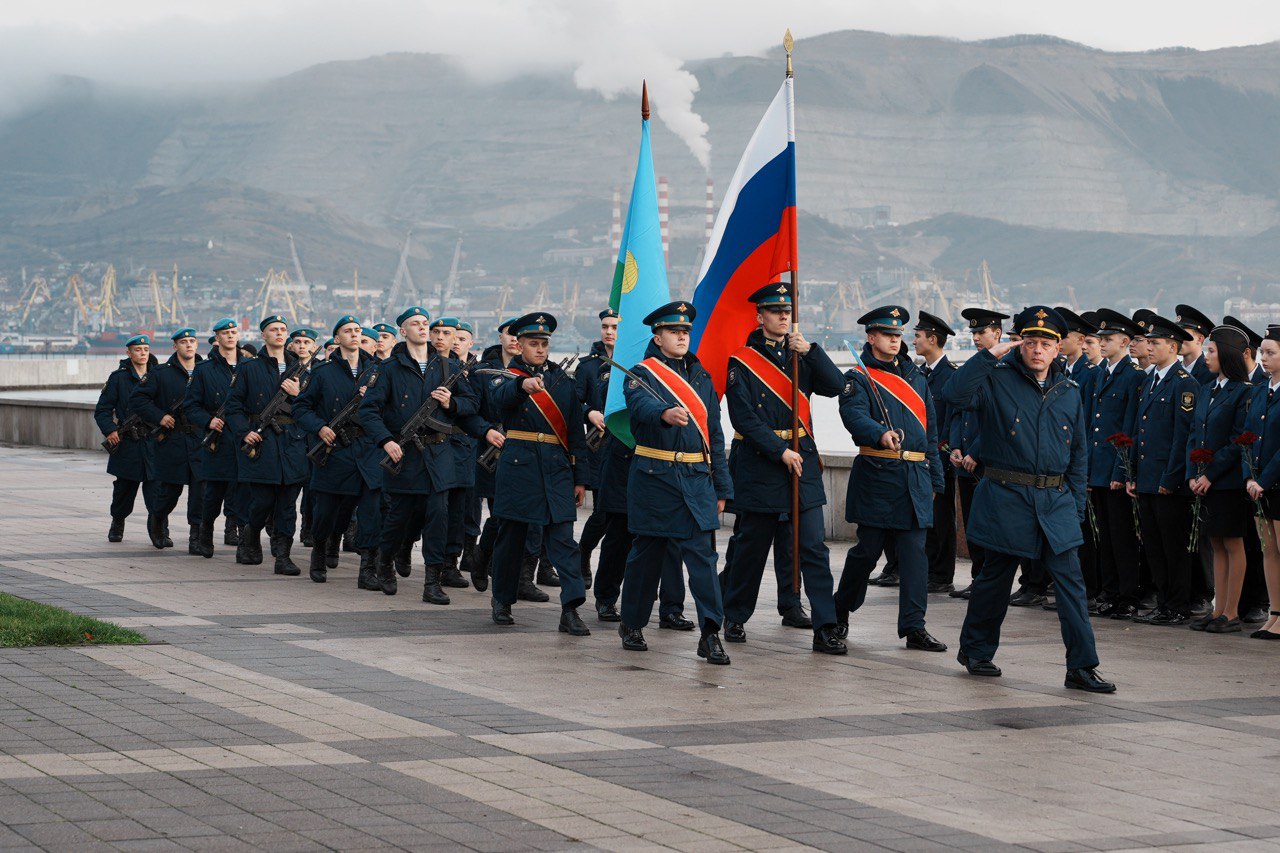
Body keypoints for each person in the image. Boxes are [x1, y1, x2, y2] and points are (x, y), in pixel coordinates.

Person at [944, 306, 1114, 693]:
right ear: (1020, 343)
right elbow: (953, 394)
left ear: (1058, 349)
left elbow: (1079, 453)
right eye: (1031, 342)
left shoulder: (1069, 391)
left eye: (1047, 343)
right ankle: (975, 650)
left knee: (1072, 584)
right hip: (1007, 495)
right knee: (995, 580)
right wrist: (991, 354)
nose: (1038, 350)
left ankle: (1082, 667)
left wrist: (1073, 503)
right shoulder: (996, 380)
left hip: (1054, 501)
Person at [720, 283, 847, 654]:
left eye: (787, 310)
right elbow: (742, 417)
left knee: (813, 549)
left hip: (802, 461)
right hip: (762, 464)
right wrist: (779, 451)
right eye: (775, 311)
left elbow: (837, 386)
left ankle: (825, 627)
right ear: (760, 317)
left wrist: (811, 352)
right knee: (750, 549)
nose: (783, 316)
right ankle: (735, 616)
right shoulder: (741, 361)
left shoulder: (801, 355)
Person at [617, 302, 733, 663]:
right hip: (655, 478)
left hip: (697, 481)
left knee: (702, 558)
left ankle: (711, 632)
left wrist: (723, 487)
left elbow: (714, 434)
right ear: (658, 336)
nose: (682, 336)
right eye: (674, 331)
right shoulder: (641, 373)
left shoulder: (701, 376)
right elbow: (639, 407)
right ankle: (633, 623)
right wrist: (664, 414)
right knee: (646, 558)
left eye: (685, 331)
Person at [835, 305, 946, 653]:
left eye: (898, 335)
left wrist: (936, 481)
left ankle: (914, 626)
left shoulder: (916, 376)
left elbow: (930, 433)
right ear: (871, 337)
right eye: (887, 335)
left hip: (915, 477)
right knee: (866, 553)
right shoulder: (857, 377)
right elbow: (853, 417)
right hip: (879, 477)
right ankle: (840, 611)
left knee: (915, 555)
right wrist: (880, 433)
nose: (895, 341)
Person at [359, 307, 479, 602]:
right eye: (416, 324)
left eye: (426, 323)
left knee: (439, 516)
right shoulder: (388, 370)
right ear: (403, 331)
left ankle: (432, 582)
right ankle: (385, 562)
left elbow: (471, 404)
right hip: (404, 454)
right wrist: (385, 441)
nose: (424, 328)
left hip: (438, 453)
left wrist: (452, 403)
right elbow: (369, 411)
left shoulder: (447, 366)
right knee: (399, 518)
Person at [486, 312, 590, 633]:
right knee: (511, 539)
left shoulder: (562, 381)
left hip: (557, 469)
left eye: (544, 343)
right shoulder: (504, 374)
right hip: (520, 468)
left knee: (563, 542)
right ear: (519, 345)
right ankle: (502, 599)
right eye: (534, 343)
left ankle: (571, 608)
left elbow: (575, 430)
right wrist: (522, 385)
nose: (541, 349)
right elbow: (498, 398)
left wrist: (581, 478)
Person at [293, 315, 383, 585]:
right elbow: (301, 408)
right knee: (329, 511)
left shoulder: (378, 371)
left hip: (368, 449)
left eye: (358, 330)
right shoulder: (322, 372)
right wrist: (319, 427)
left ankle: (367, 569)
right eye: (348, 331)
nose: (355, 334)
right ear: (337, 338)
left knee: (371, 511)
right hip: (336, 450)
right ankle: (320, 549)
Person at [1123, 314, 1199, 625]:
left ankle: (1177, 605)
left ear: (1173, 347)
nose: (1148, 347)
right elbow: (1141, 433)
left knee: (1173, 547)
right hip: (1147, 479)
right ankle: (1164, 603)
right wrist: (1133, 475)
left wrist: (1170, 477)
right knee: (1153, 546)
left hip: (1168, 482)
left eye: (1155, 343)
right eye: (1148, 342)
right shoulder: (1150, 381)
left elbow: (1182, 437)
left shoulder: (1184, 384)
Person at [224, 315, 309, 574]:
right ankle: (250, 537)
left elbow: (313, 407)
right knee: (261, 501)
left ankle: (282, 555)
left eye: (284, 330)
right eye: (274, 329)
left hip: (292, 442)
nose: (280, 333)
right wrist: (244, 432)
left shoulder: (302, 369)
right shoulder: (249, 368)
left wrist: (299, 395)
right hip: (263, 442)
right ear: (264, 335)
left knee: (287, 505)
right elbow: (234, 406)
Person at [1187, 325, 1254, 634]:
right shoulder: (1207, 388)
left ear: (1226, 354)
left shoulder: (1244, 392)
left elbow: (1238, 440)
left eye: (1211, 351)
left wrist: (1210, 474)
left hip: (1226, 482)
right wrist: (1193, 474)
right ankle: (1218, 609)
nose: (1206, 356)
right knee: (1215, 543)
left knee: (1232, 542)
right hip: (1205, 481)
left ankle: (1232, 611)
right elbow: (1194, 434)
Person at [1085, 308, 1147, 618]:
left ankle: (1127, 596)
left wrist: (1121, 472)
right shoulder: (1099, 373)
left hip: (1116, 470)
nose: (1103, 343)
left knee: (1122, 537)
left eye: (1108, 339)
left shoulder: (1133, 376)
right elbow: (1091, 424)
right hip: (1097, 468)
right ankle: (1108, 593)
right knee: (1104, 537)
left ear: (1124, 341)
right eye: (1101, 339)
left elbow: (1129, 428)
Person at [948, 309, 1009, 600]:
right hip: (965, 463)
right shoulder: (973, 368)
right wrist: (956, 446)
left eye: (980, 333)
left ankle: (990, 580)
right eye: (972, 333)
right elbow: (958, 410)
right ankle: (977, 577)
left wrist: (975, 450)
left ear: (997, 334)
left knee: (990, 526)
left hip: (988, 463)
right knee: (972, 524)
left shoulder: (1006, 369)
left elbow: (1001, 420)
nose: (974, 338)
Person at [129, 328, 204, 553]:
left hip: (200, 439)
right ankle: (158, 520)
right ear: (175, 347)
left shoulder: (206, 372)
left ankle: (196, 536)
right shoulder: (161, 373)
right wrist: (159, 416)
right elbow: (138, 399)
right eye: (183, 342)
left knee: (200, 491)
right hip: (173, 440)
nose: (189, 345)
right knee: (169, 492)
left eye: (192, 341)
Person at [185, 318, 245, 558]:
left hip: (242, 438)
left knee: (243, 493)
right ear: (216, 338)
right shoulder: (204, 370)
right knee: (213, 495)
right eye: (225, 333)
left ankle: (244, 538)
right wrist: (208, 421)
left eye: (233, 332)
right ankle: (205, 533)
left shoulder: (250, 366)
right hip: (217, 441)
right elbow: (191, 406)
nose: (231, 336)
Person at [913, 310, 959, 594]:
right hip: (921, 457)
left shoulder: (950, 375)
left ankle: (942, 574)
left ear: (933, 339)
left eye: (918, 336)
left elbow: (953, 417)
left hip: (941, 457)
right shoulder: (919, 375)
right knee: (926, 515)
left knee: (942, 516)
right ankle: (929, 568)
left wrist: (949, 450)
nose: (914, 341)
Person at [574, 309, 620, 589]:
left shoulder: (636, 363)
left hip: (629, 447)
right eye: (605, 326)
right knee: (603, 513)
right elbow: (573, 403)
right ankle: (583, 552)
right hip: (601, 449)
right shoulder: (588, 366)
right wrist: (589, 412)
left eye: (614, 327)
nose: (608, 332)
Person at [95, 334, 157, 542]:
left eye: (146, 349)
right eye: (138, 349)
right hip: (128, 442)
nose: (143, 353)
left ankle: (160, 529)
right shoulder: (118, 378)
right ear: (128, 353)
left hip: (153, 442)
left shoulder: (158, 375)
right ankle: (118, 522)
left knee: (158, 490)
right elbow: (103, 409)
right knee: (124, 489)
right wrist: (110, 430)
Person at [1244, 324, 1280, 639]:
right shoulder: (1260, 390)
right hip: (1259, 485)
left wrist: (1264, 479)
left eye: (1271, 353)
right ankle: (1275, 614)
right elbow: (1248, 437)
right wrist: (1249, 476)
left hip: (1277, 485)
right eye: (1262, 352)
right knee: (1268, 550)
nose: (1264, 358)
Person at [1175, 304, 1215, 385]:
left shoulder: (1210, 373)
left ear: (1200, 339)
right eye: (1178, 334)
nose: (1179, 338)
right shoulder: (1173, 370)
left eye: (1184, 334)